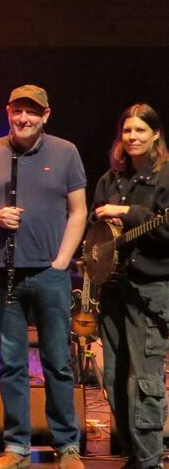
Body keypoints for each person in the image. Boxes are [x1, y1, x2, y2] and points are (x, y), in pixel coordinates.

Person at [0, 85, 87, 469]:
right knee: (12, 365)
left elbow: (79, 211)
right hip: (3, 275)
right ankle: (16, 447)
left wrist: (62, 261)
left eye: (32, 112)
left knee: (57, 363)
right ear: (8, 112)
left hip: (50, 275)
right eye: (18, 111)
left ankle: (67, 445)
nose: (24, 118)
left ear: (46, 115)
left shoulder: (65, 151)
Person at [90, 104, 169, 469]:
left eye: (140, 130)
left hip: (151, 290)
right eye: (127, 131)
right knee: (113, 377)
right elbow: (96, 239)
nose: (133, 137)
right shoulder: (111, 179)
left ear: (155, 134)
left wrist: (126, 214)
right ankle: (135, 456)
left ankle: (150, 460)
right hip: (113, 291)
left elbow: (165, 230)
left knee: (144, 381)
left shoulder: (166, 176)